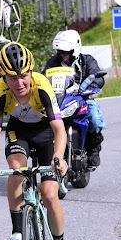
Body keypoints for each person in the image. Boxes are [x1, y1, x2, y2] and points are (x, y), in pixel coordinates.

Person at [0, 42, 72, 240]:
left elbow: (59, 130)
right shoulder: (0, 93)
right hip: (18, 132)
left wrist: (58, 157)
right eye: (12, 78)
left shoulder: (41, 87)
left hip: (46, 133)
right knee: (16, 171)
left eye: (23, 76)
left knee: (49, 194)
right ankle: (17, 232)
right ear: (4, 77)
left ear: (31, 73)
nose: (19, 83)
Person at [43, 29, 105, 168]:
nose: (62, 55)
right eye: (60, 52)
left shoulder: (87, 60)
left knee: (93, 116)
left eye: (66, 52)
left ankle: (93, 150)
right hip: (60, 100)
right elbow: (43, 76)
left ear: (75, 49)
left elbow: (98, 76)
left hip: (81, 98)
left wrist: (93, 85)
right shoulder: (53, 62)